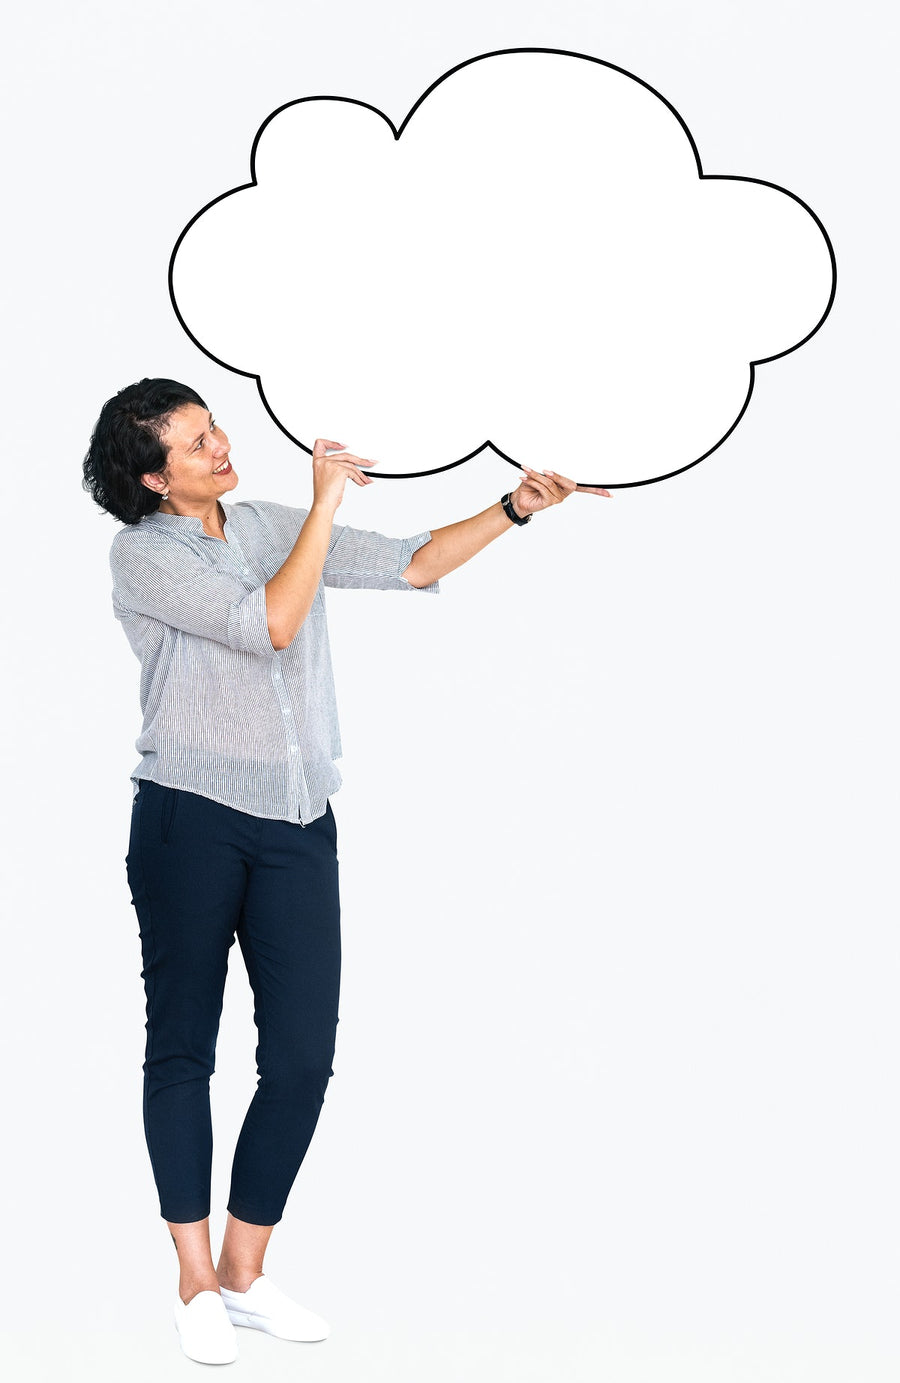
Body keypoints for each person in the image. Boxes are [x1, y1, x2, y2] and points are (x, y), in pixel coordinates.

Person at [82, 377, 610, 1364]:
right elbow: (269, 625)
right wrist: (324, 508)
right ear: (154, 477)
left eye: (215, 427)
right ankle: (193, 1281)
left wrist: (514, 508)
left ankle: (245, 1271)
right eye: (197, 443)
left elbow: (409, 566)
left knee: (301, 1059)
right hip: (188, 823)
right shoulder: (142, 555)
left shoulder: (273, 523)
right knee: (183, 1050)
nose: (221, 445)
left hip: (297, 824)